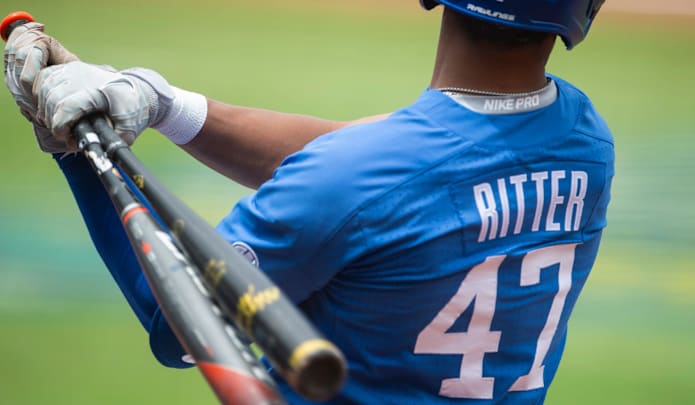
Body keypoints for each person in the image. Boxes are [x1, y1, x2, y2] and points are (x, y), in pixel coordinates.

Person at [4, 0, 613, 403]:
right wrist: (163, 103)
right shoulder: (586, 140)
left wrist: (77, 149)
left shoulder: (360, 177)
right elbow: (364, 160)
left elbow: (180, 329)